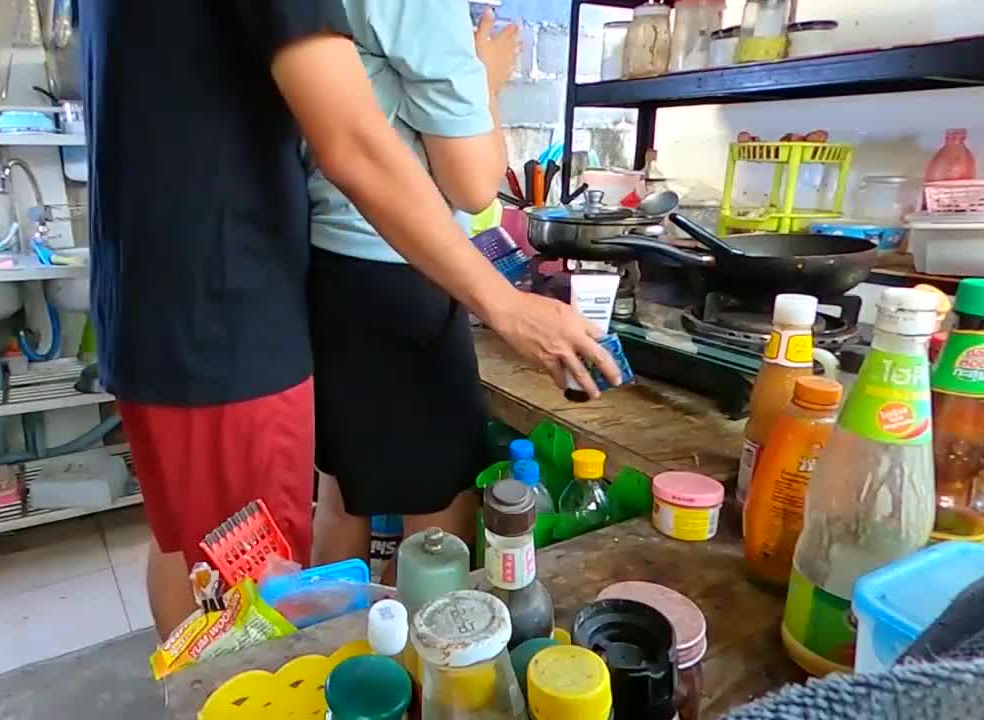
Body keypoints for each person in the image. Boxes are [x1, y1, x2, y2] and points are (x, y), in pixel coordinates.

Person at [77, 0, 621, 637]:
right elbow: (357, 146)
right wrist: (506, 306)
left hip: (152, 297)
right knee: (251, 582)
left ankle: (221, 682)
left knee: (195, 549)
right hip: (228, 309)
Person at [308, 3, 517, 576]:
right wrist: (487, 80)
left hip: (326, 263)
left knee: (342, 492)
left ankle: (333, 636)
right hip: (399, 271)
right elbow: (474, 185)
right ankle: (421, 638)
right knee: (440, 508)